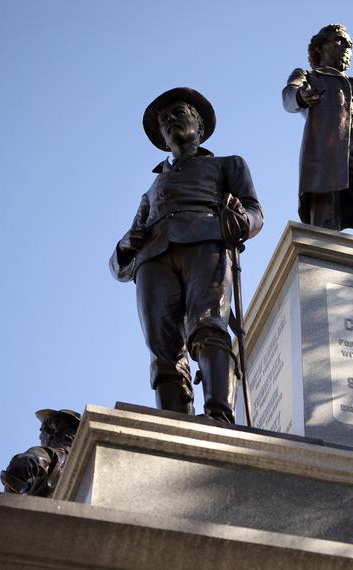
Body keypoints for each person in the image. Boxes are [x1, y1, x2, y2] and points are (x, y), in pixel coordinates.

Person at [109, 87, 263, 424]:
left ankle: (219, 414)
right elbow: (118, 264)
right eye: (164, 121)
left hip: (206, 241)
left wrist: (239, 223)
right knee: (162, 347)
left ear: (200, 126)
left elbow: (254, 213)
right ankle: (175, 423)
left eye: (179, 113)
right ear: (163, 139)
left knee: (208, 325)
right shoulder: (150, 191)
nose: (171, 121)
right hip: (152, 259)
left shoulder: (228, 165)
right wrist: (125, 245)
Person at [282, 23, 353, 244]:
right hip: (326, 155)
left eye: (350, 44)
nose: (346, 46)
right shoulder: (309, 75)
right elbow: (288, 96)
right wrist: (301, 96)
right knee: (325, 215)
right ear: (320, 47)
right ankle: (323, 263)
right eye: (340, 40)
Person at [0, 409, 80, 498]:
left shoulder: (48, 455)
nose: (40, 437)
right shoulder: (83, 467)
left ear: (52, 432)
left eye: (42, 430)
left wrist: (12, 494)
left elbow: (20, 465)